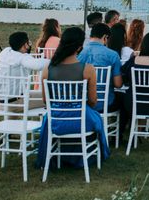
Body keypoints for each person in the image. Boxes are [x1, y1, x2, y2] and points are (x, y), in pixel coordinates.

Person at [36, 27, 110, 169]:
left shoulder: (48, 68)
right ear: (79, 47)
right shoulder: (88, 69)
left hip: (55, 119)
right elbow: (93, 101)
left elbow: (46, 101)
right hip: (81, 119)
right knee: (96, 118)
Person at [0, 31, 49, 109]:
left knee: (37, 94)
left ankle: (11, 121)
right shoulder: (22, 58)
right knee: (50, 97)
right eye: (28, 42)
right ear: (25, 45)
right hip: (14, 103)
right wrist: (56, 60)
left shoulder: (5, 52)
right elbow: (39, 65)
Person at [77, 23, 123, 112]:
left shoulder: (81, 54)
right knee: (123, 98)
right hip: (107, 103)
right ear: (105, 37)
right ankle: (120, 126)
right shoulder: (113, 55)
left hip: (85, 103)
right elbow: (118, 84)